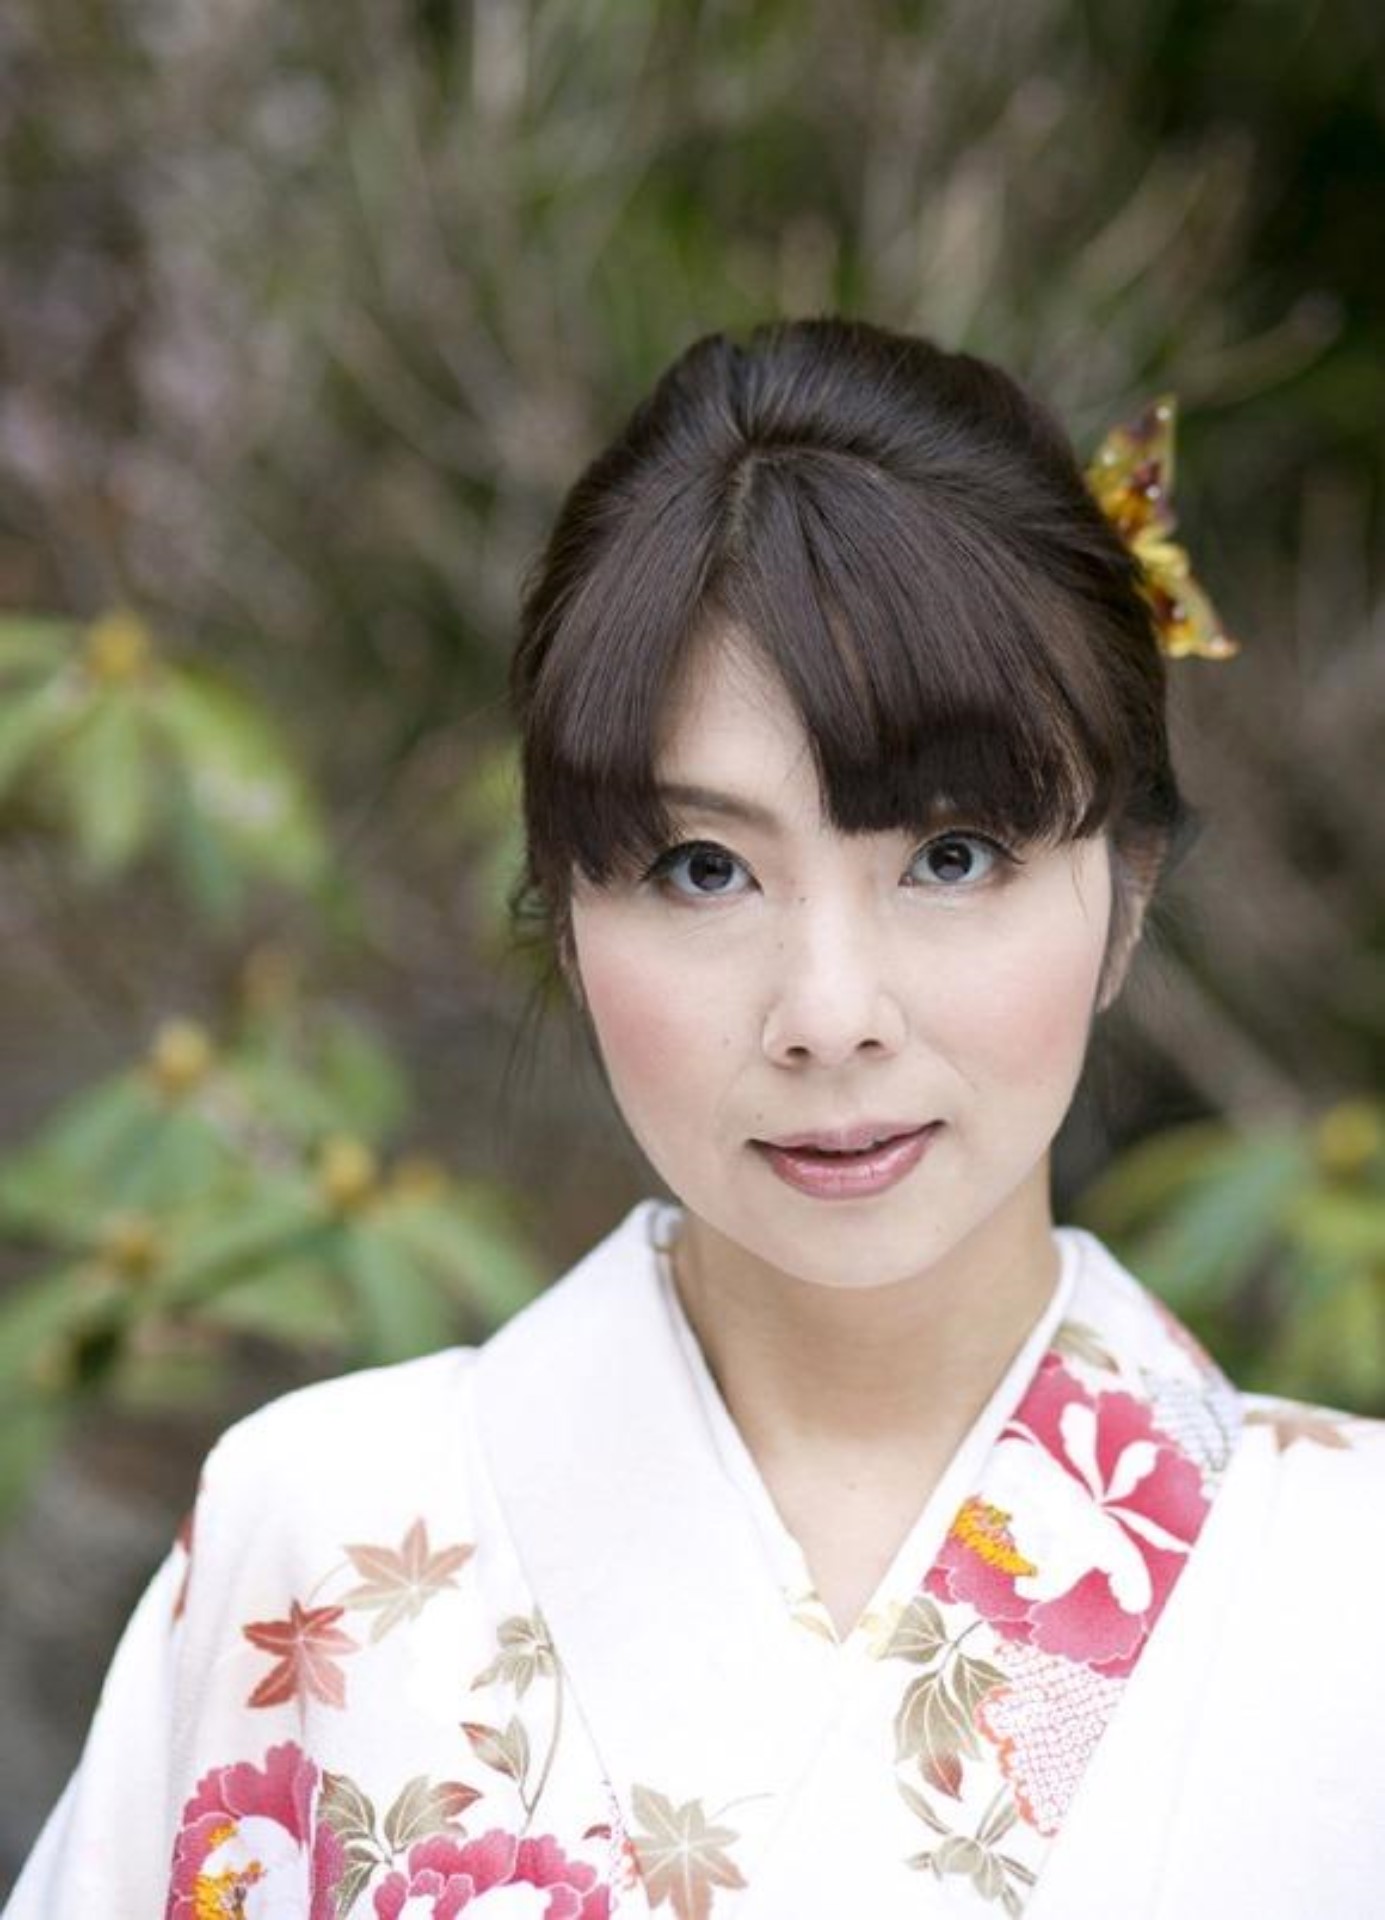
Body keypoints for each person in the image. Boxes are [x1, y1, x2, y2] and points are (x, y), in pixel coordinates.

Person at [5, 319, 1382, 1920]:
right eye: (702, 868)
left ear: (1124, 895)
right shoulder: (318, 1534)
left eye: (949, 857)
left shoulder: (1349, 1581)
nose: (827, 1012)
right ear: (563, 915)